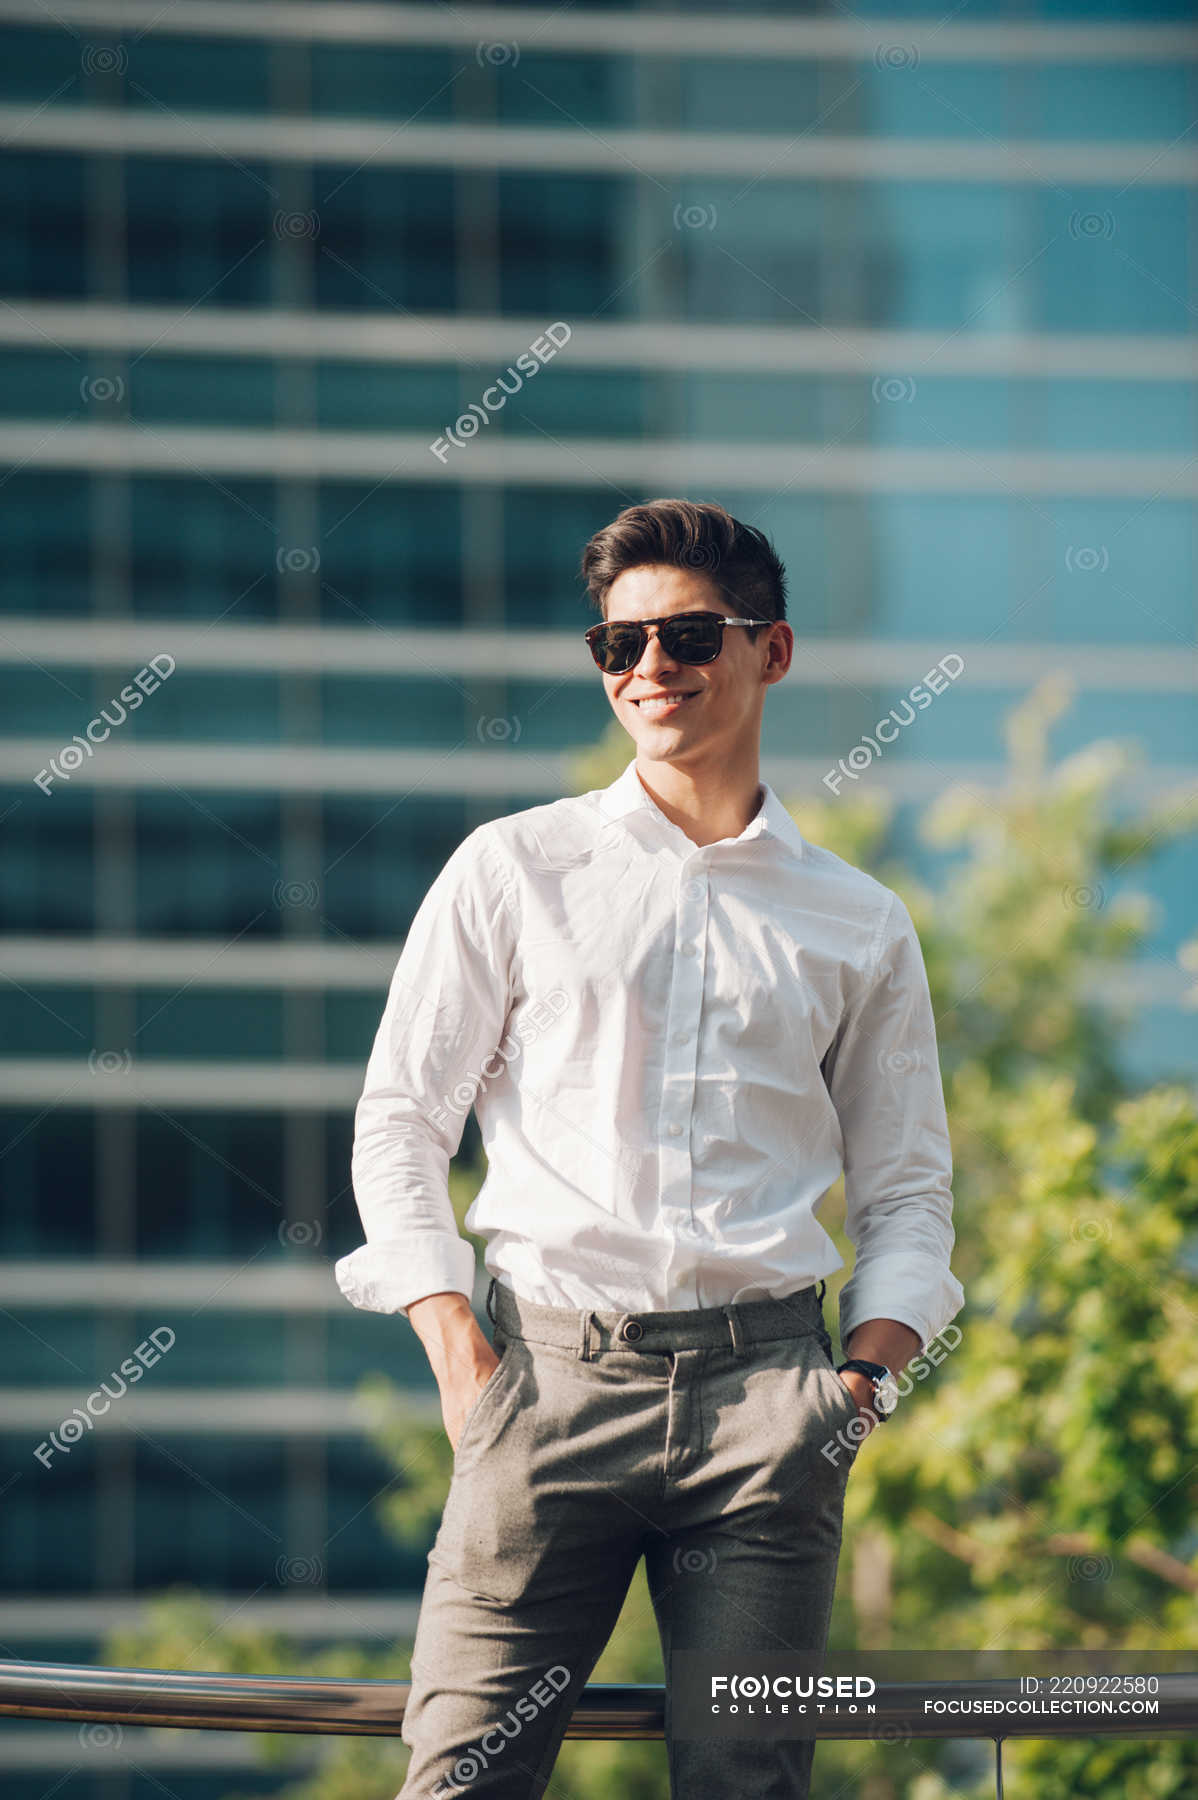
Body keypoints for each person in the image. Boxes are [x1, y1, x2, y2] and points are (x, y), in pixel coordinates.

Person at [335, 497, 965, 1799]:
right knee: (457, 1779)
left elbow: (905, 1185)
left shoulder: (855, 921)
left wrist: (858, 1385)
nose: (648, 671)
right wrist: (461, 1357)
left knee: (746, 1787)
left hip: (769, 1410)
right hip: (544, 1386)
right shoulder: (512, 869)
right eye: (616, 647)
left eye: (686, 637)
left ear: (770, 653)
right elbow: (401, 1117)